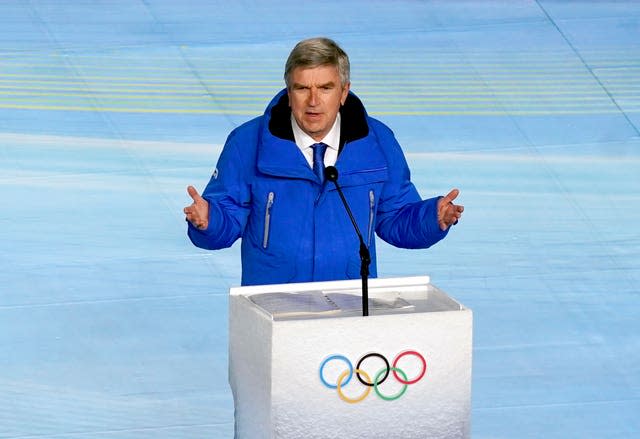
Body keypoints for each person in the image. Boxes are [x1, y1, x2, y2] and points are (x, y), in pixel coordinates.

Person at [184, 37, 463, 286]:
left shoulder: (378, 141)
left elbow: (395, 217)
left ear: (343, 92)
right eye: (302, 88)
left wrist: (431, 218)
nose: (313, 100)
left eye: (326, 88)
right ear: (289, 92)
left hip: (350, 301)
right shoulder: (247, 143)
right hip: (271, 304)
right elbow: (227, 216)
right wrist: (209, 221)